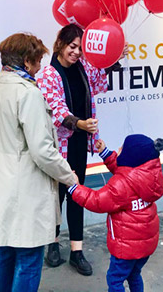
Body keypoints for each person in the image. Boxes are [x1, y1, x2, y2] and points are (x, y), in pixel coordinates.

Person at [0, 33, 78, 292]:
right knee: (29, 258)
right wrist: (69, 176)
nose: (40, 66)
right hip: (24, 188)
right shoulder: (27, 93)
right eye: (38, 60)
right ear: (27, 61)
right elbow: (42, 150)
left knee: (3, 252)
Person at [37, 24, 110, 275]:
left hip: (79, 143)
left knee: (77, 194)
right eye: (73, 46)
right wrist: (78, 123)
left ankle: (77, 252)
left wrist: (109, 59)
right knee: (55, 196)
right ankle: (53, 243)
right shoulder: (48, 74)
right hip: (58, 146)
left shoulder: (84, 68)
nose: (77, 52)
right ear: (60, 44)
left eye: (80, 48)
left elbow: (100, 85)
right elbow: (56, 109)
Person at [68, 135, 163, 292]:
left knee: (115, 280)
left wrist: (75, 187)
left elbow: (97, 201)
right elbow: (124, 170)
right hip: (145, 245)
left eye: (122, 148)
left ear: (130, 155)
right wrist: (105, 153)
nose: (119, 150)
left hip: (126, 246)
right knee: (134, 275)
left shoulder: (121, 184)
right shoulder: (150, 176)